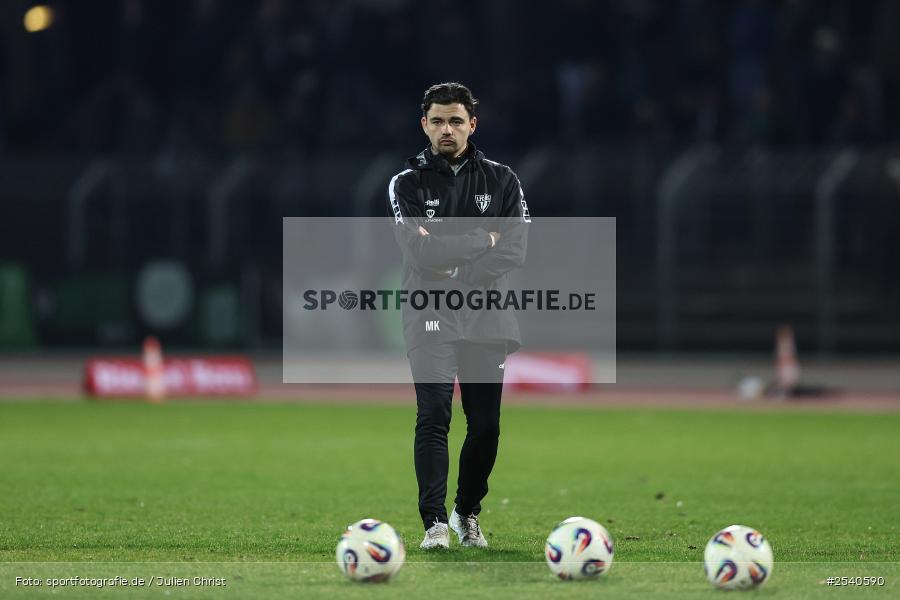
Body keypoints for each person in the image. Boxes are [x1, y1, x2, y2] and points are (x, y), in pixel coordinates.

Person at [387, 82, 531, 549]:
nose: (446, 129)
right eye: (437, 120)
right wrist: (481, 240)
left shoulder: (503, 180)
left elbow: (515, 249)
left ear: (472, 123)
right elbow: (418, 252)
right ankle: (434, 524)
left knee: (485, 425)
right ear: (423, 125)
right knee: (433, 415)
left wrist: (454, 266)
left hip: (487, 314)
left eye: (455, 120)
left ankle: (466, 513)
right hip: (429, 313)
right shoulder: (406, 183)